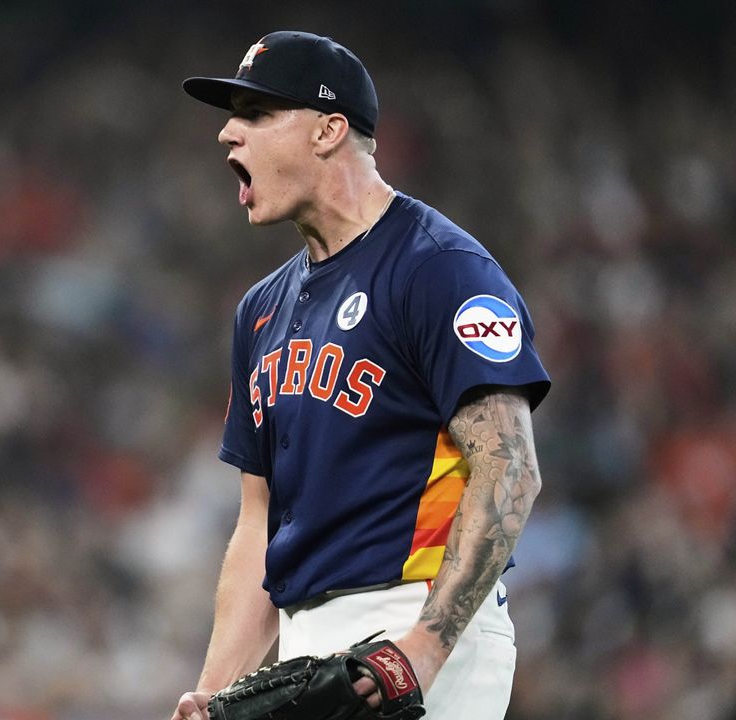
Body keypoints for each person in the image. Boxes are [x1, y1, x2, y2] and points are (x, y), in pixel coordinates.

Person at [171, 30, 550, 719]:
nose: (228, 133)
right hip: (302, 644)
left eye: (256, 115)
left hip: (418, 624)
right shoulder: (260, 312)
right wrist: (217, 690)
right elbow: (260, 523)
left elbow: (512, 468)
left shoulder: (438, 267)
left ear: (328, 130)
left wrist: (425, 649)